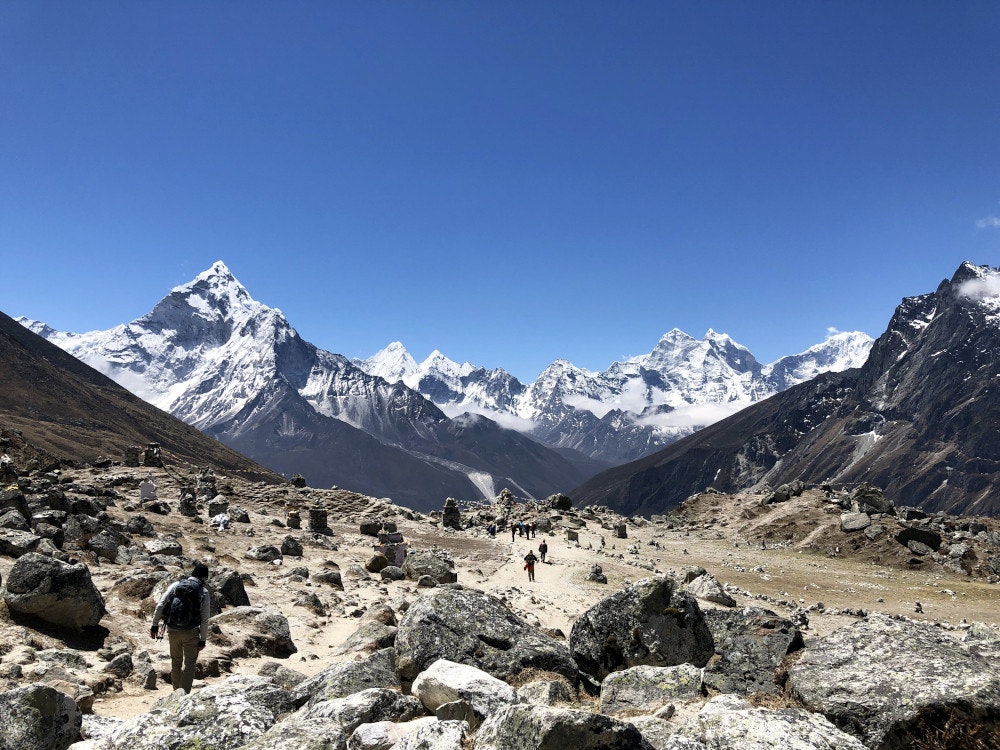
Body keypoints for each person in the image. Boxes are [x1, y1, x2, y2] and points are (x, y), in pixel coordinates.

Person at [150, 562, 211, 693]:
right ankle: (184, 696)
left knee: (176, 662)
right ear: (204, 578)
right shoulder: (203, 592)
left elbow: (160, 605)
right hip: (191, 632)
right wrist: (203, 640)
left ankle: (176, 694)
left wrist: (154, 625)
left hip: (173, 631)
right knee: (190, 664)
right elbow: (205, 619)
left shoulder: (176, 585)